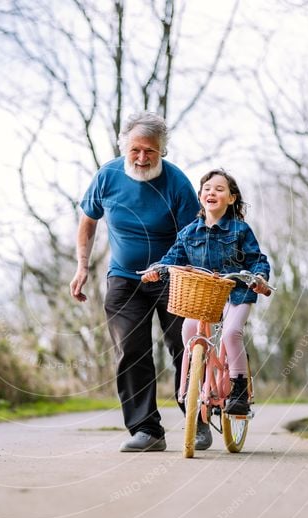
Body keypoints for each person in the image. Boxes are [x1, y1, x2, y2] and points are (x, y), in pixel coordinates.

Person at [69, 112, 200, 453]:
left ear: (162, 151)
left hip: (173, 277)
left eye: (150, 152)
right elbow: (87, 221)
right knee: (132, 350)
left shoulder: (177, 184)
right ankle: (147, 430)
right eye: (136, 150)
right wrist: (82, 267)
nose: (142, 158)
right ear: (124, 147)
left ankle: (196, 419)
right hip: (125, 279)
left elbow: (194, 237)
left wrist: (195, 272)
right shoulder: (107, 176)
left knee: (183, 346)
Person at [141, 168, 271, 450]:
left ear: (232, 198)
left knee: (231, 334)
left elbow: (257, 259)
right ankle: (196, 378)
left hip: (236, 291)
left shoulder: (240, 229)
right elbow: (172, 258)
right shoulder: (189, 232)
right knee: (188, 329)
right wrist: (156, 270)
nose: (212, 192)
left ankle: (237, 389)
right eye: (207, 188)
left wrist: (259, 279)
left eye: (220, 189)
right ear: (200, 196)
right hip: (204, 295)